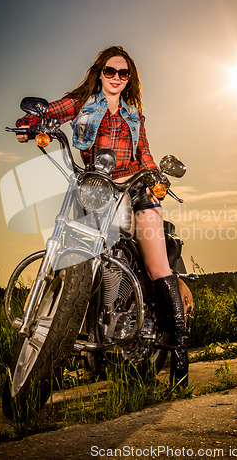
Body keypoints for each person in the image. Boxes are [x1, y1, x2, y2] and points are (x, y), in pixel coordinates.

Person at [16, 45, 192, 386]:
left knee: (158, 266)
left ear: (129, 79)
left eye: (122, 73)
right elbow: (53, 112)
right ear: (100, 73)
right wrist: (29, 123)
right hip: (95, 187)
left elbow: (145, 154)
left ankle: (180, 351)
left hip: (135, 190)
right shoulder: (84, 103)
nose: (115, 78)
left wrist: (155, 175)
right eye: (109, 71)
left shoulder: (134, 116)